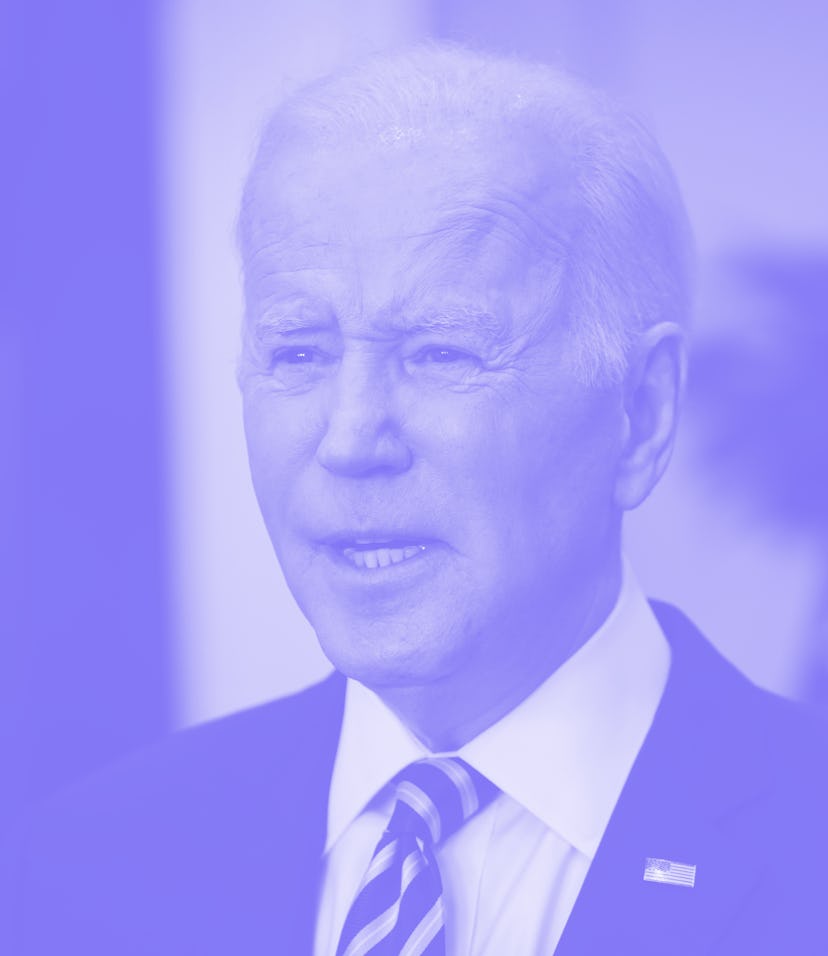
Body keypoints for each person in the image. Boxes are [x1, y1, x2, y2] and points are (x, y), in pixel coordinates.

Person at [4, 42, 828, 955]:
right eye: (300, 353)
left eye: (441, 352)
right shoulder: (78, 872)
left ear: (638, 412)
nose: (351, 439)